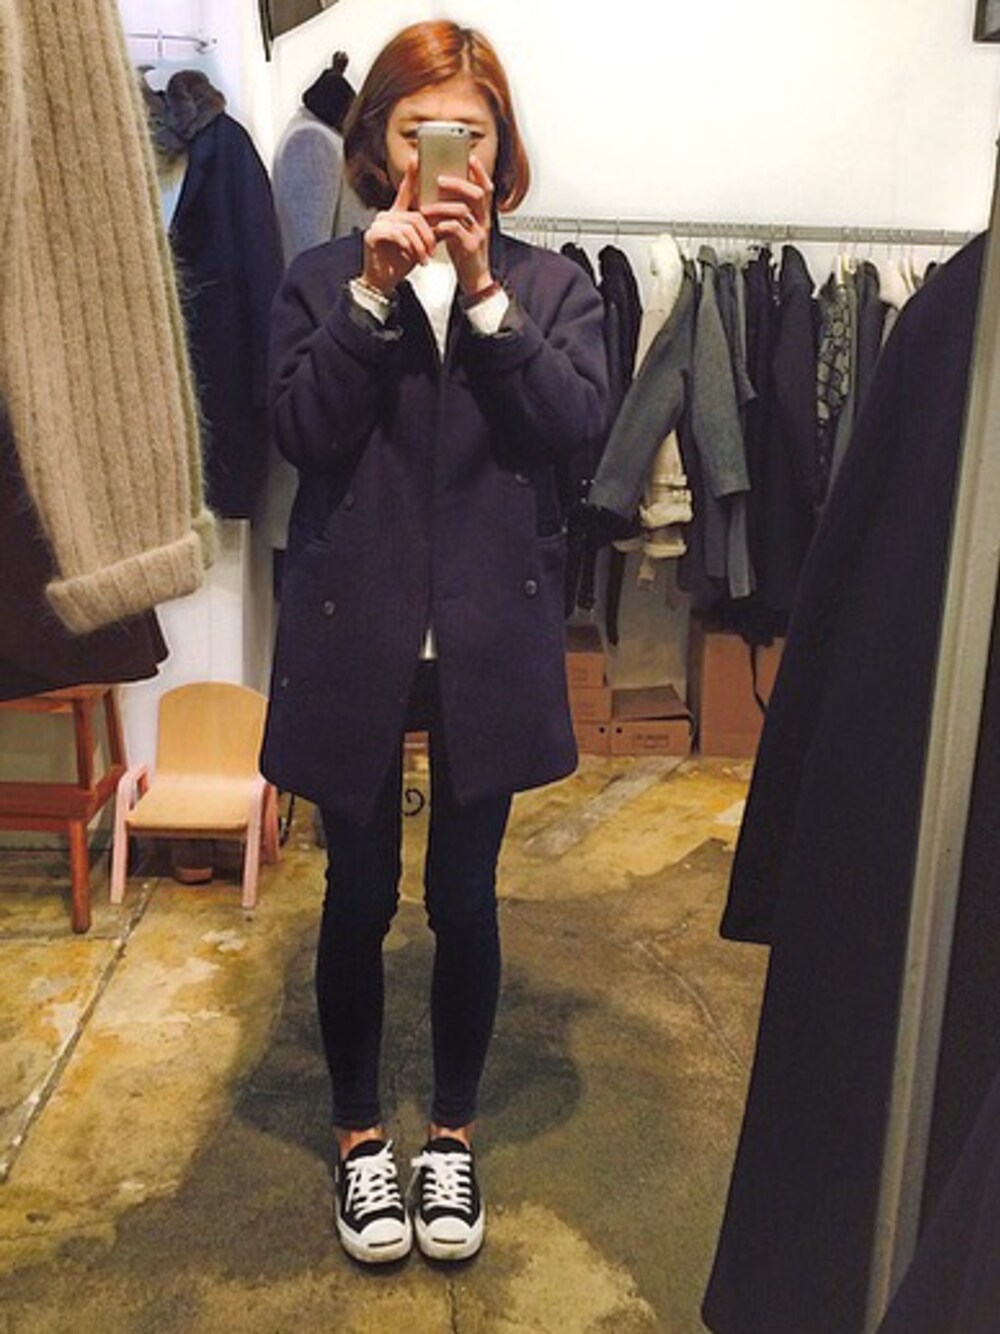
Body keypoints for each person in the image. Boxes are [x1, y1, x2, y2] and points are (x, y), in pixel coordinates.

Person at [260, 19, 609, 1266]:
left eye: (469, 131)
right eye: (418, 131)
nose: (444, 156)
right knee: (355, 893)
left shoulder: (550, 284)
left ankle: (449, 1133)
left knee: (464, 894)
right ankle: (361, 1137)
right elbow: (301, 433)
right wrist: (371, 295)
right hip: (355, 631)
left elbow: (573, 427)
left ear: (499, 150)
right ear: (378, 143)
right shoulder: (321, 277)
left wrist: (482, 294)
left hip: (484, 636)